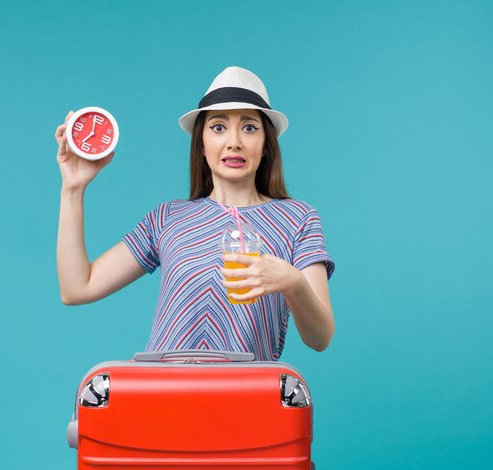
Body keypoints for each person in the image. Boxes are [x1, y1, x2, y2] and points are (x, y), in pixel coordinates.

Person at [55, 66, 335, 360]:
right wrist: (72, 189)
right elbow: (76, 289)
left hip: (249, 400)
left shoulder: (297, 219)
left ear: (266, 144)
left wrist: (293, 283)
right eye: (218, 127)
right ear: (202, 144)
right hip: (164, 397)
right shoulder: (168, 218)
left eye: (250, 127)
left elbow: (320, 338)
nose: (234, 141)